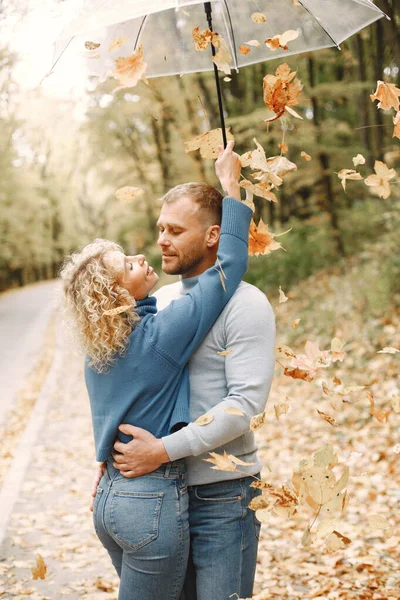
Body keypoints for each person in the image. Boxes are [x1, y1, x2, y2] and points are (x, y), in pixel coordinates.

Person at [60, 142, 253, 600]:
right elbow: (230, 268)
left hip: (110, 496)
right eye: (127, 265)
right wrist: (231, 187)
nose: (142, 257)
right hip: (150, 500)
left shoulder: (101, 347)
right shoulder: (159, 337)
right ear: (113, 295)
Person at [104, 154, 277, 599]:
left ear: (214, 235)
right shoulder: (158, 302)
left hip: (223, 497)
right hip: (158, 499)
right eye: (161, 228)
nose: (161, 240)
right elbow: (132, 386)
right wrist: (110, 464)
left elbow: (243, 406)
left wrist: (162, 450)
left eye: (175, 231)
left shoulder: (247, 304)